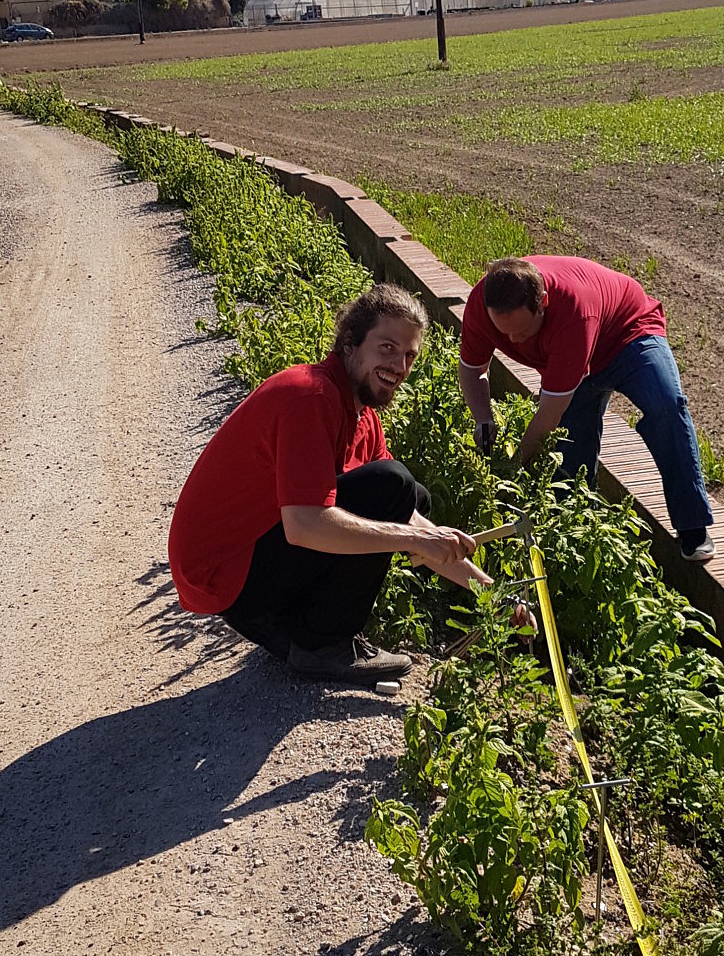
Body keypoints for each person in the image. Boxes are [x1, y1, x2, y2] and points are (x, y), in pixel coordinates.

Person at [168, 282, 490, 683]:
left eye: (409, 355)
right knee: (393, 485)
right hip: (222, 574)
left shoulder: (361, 414)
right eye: (387, 347)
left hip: (254, 568)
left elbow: (404, 514)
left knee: (410, 497)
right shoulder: (310, 396)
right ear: (350, 343)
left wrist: (487, 591)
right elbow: (305, 525)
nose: (399, 366)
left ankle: (299, 630)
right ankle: (322, 645)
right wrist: (415, 540)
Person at [458, 255, 715, 560]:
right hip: (571, 354)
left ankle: (693, 525)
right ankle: (576, 538)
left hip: (628, 335)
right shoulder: (482, 303)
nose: (514, 340)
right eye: (504, 332)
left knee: (666, 406)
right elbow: (472, 368)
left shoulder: (573, 315)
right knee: (570, 462)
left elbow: (547, 418)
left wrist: (511, 472)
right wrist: (482, 419)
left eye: (523, 332)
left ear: (543, 303)